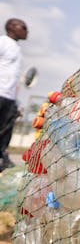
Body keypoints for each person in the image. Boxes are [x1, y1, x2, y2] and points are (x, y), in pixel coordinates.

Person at [0, 18, 28, 172]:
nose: (26, 31)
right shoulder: (3, 42)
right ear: (11, 27)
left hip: (9, 98)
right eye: (23, 27)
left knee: (5, 130)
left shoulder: (17, 49)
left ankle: (2, 158)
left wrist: (16, 102)